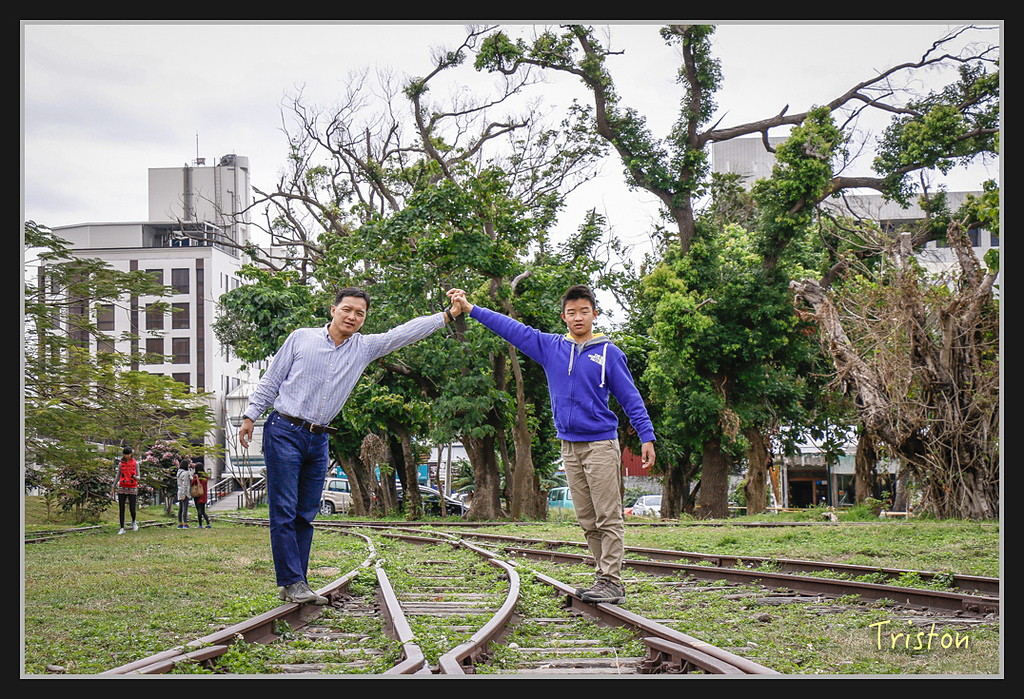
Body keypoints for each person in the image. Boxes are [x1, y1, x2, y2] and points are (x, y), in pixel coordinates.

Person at [238, 287, 465, 605]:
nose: (352, 317)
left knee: (306, 512)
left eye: (360, 313)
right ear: (333, 310)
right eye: (347, 309)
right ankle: (293, 582)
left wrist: (447, 315)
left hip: (319, 438)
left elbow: (403, 333)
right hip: (284, 429)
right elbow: (271, 379)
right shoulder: (301, 338)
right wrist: (250, 415)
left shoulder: (364, 347)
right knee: (285, 509)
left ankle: (295, 582)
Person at [448, 285, 655, 604]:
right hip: (569, 446)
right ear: (564, 317)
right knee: (587, 519)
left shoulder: (608, 354)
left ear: (594, 314)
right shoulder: (551, 347)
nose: (578, 317)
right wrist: (471, 308)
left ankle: (612, 580)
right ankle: (604, 577)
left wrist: (646, 436)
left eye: (584, 311)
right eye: (572, 312)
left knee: (607, 516)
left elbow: (630, 397)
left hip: (600, 443)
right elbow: (512, 329)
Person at [112, 447, 140, 535]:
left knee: (132, 508)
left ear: (131, 454)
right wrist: (113, 486)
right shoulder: (121, 464)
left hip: (132, 487)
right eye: (125, 454)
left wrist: (135, 477)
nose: (126, 456)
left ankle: (134, 522)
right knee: (121, 508)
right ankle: (122, 527)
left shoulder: (136, 463)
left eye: (128, 454)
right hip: (122, 487)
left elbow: (139, 476)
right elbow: (118, 475)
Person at [176, 460, 195, 529]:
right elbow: (185, 485)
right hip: (184, 493)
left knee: (180, 509)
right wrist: (184, 494)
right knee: (185, 509)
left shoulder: (179, 473)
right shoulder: (185, 473)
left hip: (179, 491)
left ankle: (179, 523)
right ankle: (185, 523)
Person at [192, 464, 211, 529]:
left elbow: (192, 483)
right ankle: (208, 523)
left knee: (199, 511)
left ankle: (200, 525)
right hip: (204, 494)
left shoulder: (196, 476)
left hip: (198, 495)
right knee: (203, 510)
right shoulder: (206, 476)